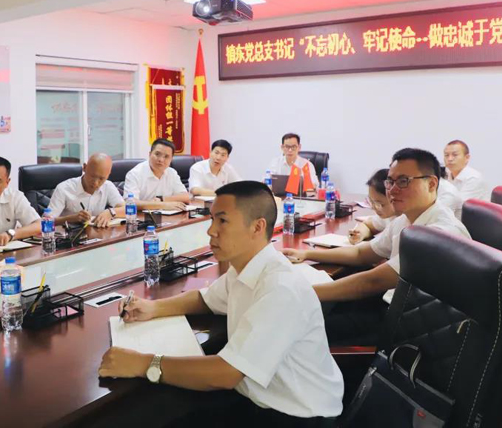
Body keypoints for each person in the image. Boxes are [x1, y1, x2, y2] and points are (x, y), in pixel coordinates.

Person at [99, 181, 342, 426]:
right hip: (257, 397)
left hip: (297, 415)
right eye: (212, 219)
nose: (211, 231)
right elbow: (205, 299)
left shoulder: (280, 288)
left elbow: (226, 374)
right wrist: (153, 308)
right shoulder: (245, 268)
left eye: (222, 221)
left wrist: (143, 363)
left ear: (257, 227)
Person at [284, 148, 470, 345]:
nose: (392, 190)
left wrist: (307, 292)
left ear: (431, 183)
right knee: (313, 313)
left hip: (412, 325)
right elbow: (362, 253)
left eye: (403, 181)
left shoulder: (440, 233)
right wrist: (306, 254)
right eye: (390, 181)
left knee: (304, 329)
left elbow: (373, 281)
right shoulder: (407, 218)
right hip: (393, 301)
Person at [47, 153, 126, 228]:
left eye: (101, 178)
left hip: (98, 234)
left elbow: (127, 209)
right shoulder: (64, 188)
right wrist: (72, 218)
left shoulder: (108, 186)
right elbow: (46, 221)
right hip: (69, 235)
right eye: (92, 176)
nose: (96, 183)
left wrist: (110, 212)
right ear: (84, 168)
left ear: (108, 174)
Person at [123, 138, 191, 211]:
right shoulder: (134, 174)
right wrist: (163, 205)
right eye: (157, 154)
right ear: (150, 154)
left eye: (166, 156)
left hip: (167, 216)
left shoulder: (172, 173)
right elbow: (130, 202)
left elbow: (186, 197)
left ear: (171, 159)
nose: (161, 160)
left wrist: (161, 199)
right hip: (143, 216)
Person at [347, 169, 396, 245]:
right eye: (371, 201)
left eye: (379, 204)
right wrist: (359, 234)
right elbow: (367, 225)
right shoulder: (388, 216)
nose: (374, 208)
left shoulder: (402, 222)